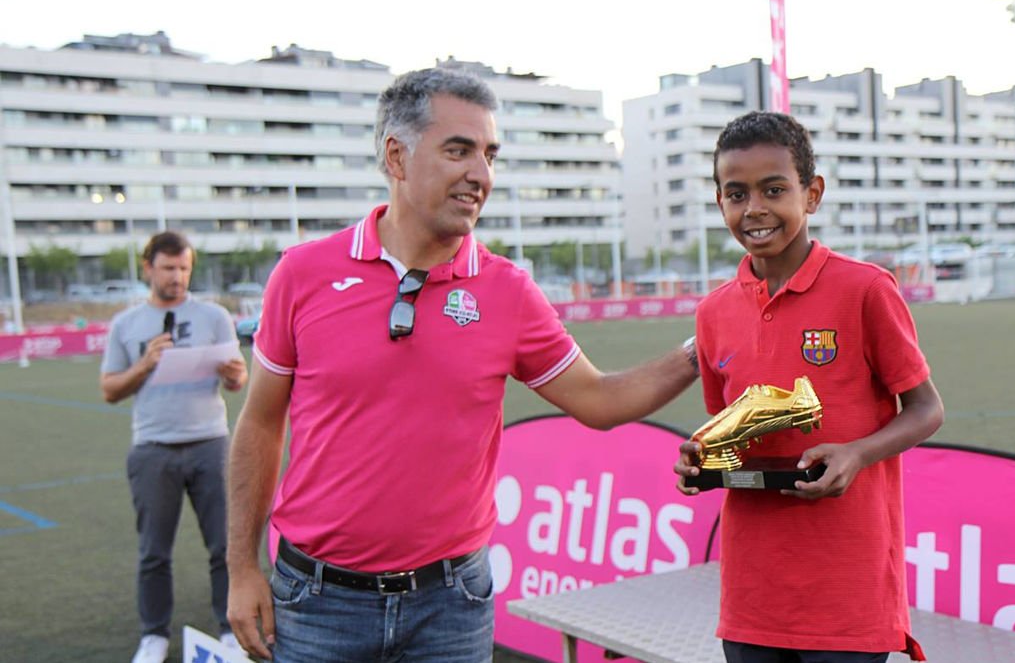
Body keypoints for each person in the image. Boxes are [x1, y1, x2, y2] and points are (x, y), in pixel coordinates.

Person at [226, 67, 698, 662]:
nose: (481, 174)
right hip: (317, 604)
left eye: (489, 154)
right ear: (396, 157)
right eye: (459, 151)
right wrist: (241, 567)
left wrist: (699, 348)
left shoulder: (508, 290)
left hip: (451, 608)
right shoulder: (302, 274)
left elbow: (600, 400)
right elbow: (261, 423)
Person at [674, 111, 945, 663]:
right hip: (752, 600)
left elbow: (926, 409)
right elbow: (728, 440)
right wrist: (700, 463)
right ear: (720, 201)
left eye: (774, 189)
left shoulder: (865, 289)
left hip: (848, 598)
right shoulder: (713, 313)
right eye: (736, 193)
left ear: (811, 194)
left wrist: (857, 453)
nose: (754, 208)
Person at [100, 230, 248, 663]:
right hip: (153, 447)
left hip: (211, 443)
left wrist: (234, 374)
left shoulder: (215, 317)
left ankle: (228, 628)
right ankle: (154, 635)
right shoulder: (126, 324)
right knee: (153, 551)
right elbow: (109, 389)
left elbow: (237, 383)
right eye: (169, 268)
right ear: (148, 269)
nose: (178, 277)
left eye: (184, 268)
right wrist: (145, 364)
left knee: (225, 544)